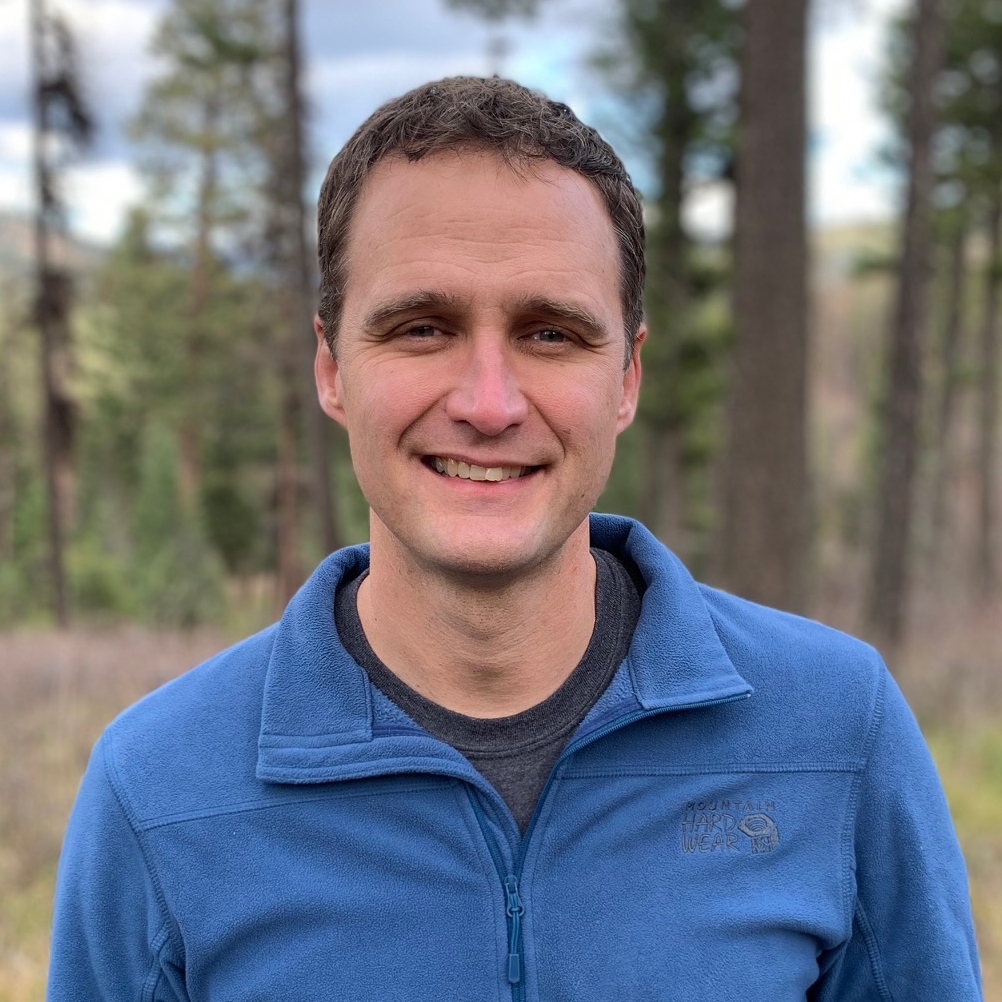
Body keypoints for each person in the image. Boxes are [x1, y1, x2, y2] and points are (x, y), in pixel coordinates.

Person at [48, 76, 981, 1001]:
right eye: (423, 328)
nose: (489, 405)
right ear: (332, 368)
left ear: (626, 378)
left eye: (550, 334)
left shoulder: (836, 731)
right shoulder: (160, 790)